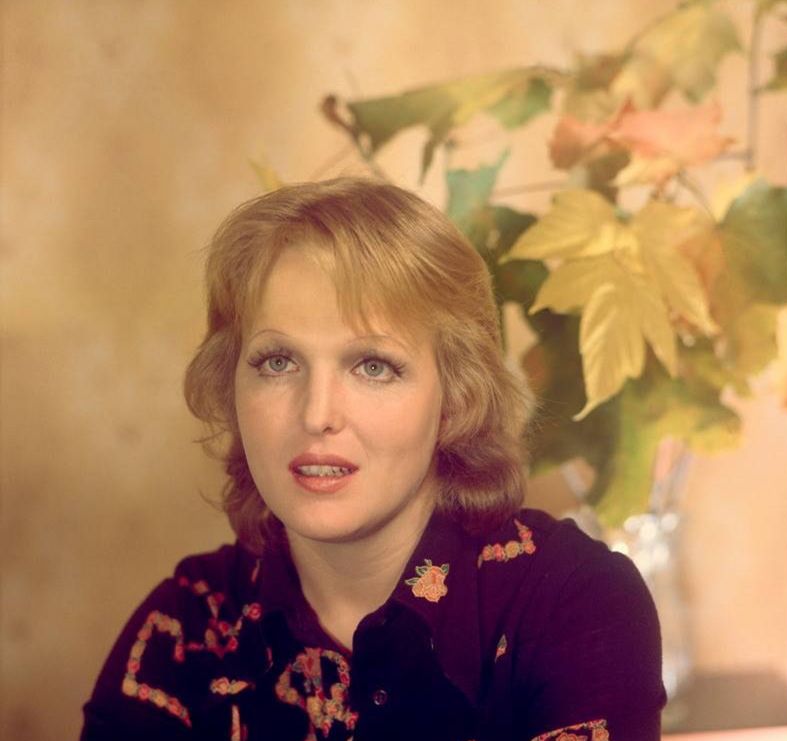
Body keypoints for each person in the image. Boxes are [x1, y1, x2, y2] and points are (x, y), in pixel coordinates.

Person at [80, 178, 665, 741]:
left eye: (373, 366)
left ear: (456, 397)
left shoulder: (573, 603)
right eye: (278, 362)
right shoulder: (184, 631)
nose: (317, 414)